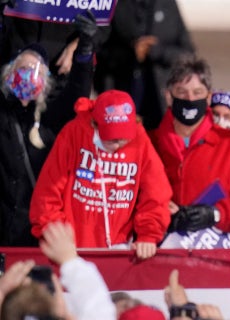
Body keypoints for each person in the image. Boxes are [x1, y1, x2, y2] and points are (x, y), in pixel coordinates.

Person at [29, 89, 172, 259]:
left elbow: (156, 193)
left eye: (124, 139)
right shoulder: (74, 134)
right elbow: (46, 195)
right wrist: (58, 238)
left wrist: (148, 234)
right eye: (111, 139)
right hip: (72, 251)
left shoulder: (140, 139)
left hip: (120, 252)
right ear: (94, 125)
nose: (118, 145)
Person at [0, 13, 96, 247]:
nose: (28, 75)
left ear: (45, 81)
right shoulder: (2, 113)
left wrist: (85, 48)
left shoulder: (51, 118)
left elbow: (78, 91)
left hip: (32, 233)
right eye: (23, 68)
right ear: (9, 74)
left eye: (35, 70)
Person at [150, 57, 230, 249]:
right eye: (181, 92)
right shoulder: (148, 143)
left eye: (197, 92)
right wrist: (159, 209)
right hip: (158, 258)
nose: (190, 99)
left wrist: (215, 214)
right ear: (168, 96)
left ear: (208, 97)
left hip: (216, 262)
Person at [94, 0, 195, 130]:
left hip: (161, 103)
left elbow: (188, 54)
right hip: (121, 102)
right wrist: (132, 51)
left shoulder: (167, 4)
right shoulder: (113, 5)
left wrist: (157, 51)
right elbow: (98, 51)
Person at [0, 221, 116, 320]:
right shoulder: (63, 312)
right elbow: (97, 308)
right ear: (61, 311)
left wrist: (2, 290)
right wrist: (70, 260)